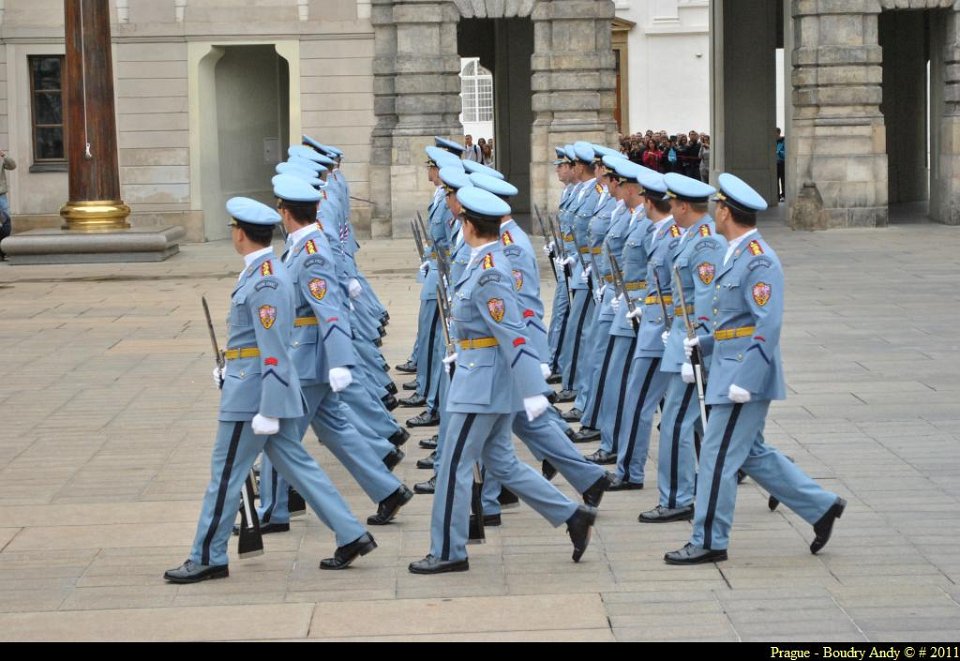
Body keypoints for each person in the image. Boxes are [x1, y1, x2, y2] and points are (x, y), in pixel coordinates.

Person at [163, 197, 376, 584]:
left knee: (225, 475)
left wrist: (269, 406)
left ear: (240, 234)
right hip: (253, 384)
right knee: (300, 467)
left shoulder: (265, 279)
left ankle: (207, 555)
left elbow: (274, 348)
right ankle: (351, 534)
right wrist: (230, 365)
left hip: (253, 398)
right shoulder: (262, 271)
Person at [408, 186, 597, 574]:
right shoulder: (483, 261)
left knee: (453, 464)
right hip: (480, 373)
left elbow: (512, 331)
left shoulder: (490, 269)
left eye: (460, 220)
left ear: (468, 224)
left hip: (481, 386)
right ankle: (572, 515)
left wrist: (533, 390)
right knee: (503, 463)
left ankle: (448, 550)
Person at [664, 172, 846, 564]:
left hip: (742, 374)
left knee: (715, 457)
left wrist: (746, 380)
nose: (714, 213)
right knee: (752, 454)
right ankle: (821, 506)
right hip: (728, 364)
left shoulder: (758, 259)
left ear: (726, 212)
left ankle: (709, 538)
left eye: (718, 208)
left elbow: (768, 323)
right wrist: (705, 343)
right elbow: (735, 320)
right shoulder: (737, 253)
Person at [0, 149, 16, 220]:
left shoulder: (1, 160)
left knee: (5, 218)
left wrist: (4, 155)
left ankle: (6, 231)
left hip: (1, 194)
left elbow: (12, 166)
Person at [776, 128, 786, 202]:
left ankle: (784, 195)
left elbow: (786, 153)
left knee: (783, 180)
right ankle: (777, 196)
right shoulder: (773, 142)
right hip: (775, 163)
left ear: (778, 133)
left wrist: (779, 152)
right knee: (775, 180)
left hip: (782, 162)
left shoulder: (783, 141)